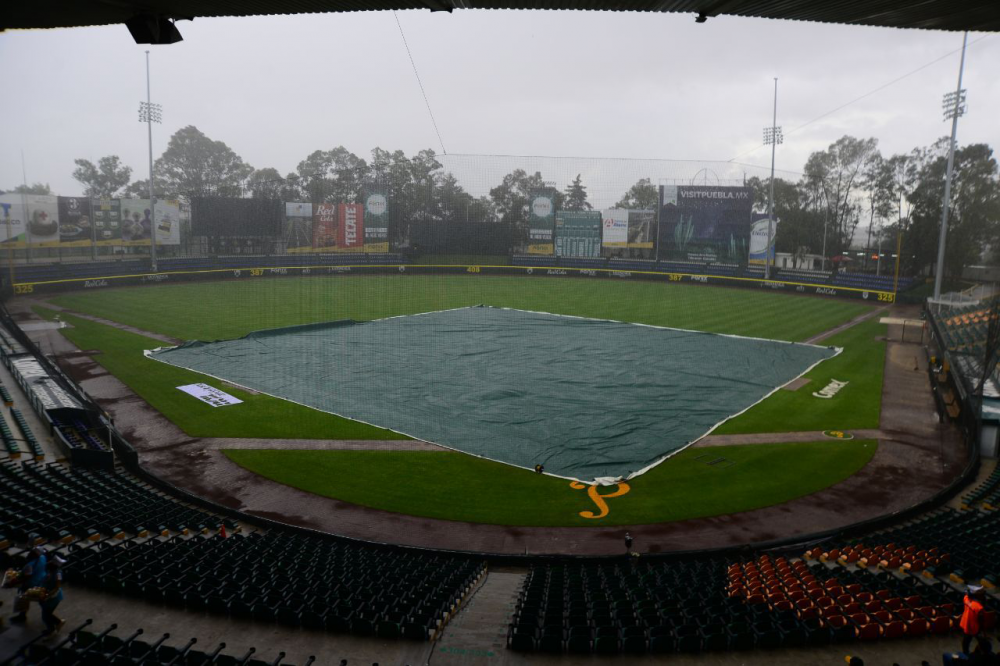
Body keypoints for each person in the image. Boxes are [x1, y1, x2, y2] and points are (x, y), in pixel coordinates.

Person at [10, 547, 47, 624]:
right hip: (40, 580)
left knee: (24, 598)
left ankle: (22, 616)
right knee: (40, 599)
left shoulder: (29, 565)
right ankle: (47, 611)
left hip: (31, 583)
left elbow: (26, 577)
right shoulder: (43, 557)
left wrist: (14, 582)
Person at [39, 559, 65, 636]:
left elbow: (57, 587)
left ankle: (51, 629)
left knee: (46, 615)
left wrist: (48, 595)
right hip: (46, 593)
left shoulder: (58, 574)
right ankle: (58, 622)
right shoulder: (49, 571)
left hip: (53, 597)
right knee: (47, 613)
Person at [961, 585, 987, 655]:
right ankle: (984, 652)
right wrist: (983, 630)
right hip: (975, 628)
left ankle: (965, 653)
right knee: (982, 641)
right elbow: (981, 621)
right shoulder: (979, 608)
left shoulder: (966, 599)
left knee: (966, 642)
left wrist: (969, 593)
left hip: (967, 625)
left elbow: (966, 595)